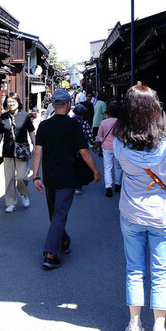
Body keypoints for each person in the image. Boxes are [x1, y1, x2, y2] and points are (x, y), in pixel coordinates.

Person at [113, 85, 166, 331]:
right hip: (162, 214)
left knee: (134, 269)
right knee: (161, 271)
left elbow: (122, 168)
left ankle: (134, 326)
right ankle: (159, 330)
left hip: (131, 212)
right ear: (156, 110)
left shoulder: (119, 143)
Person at [32, 89, 101, 269]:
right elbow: (84, 152)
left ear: (54, 105)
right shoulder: (74, 125)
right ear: (69, 104)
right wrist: (95, 171)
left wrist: (36, 176)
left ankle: (57, 245)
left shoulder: (44, 126)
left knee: (55, 214)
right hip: (68, 175)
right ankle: (53, 252)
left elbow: (37, 151)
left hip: (49, 176)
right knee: (59, 214)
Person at [0, 93, 36, 213]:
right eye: (9, 101)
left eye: (13, 101)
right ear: (6, 103)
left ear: (18, 102)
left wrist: (35, 145)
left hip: (21, 150)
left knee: (22, 176)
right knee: (9, 178)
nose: (11, 103)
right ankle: (10, 203)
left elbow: (31, 132)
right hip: (7, 151)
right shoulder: (3, 117)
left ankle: (23, 193)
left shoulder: (25, 116)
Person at [95, 101, 121, 197]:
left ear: (108, 113)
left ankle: (108, 187)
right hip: (118, 147)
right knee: (118, 167)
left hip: (106, 147)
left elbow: (99, 136)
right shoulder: (120, 122)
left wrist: (96, 145)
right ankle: (118, 184)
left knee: (108, 167)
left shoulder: (103, 123)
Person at [72, 103, 95, 195]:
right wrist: (94, 144)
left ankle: (72, 184)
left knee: (72, 166)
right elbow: (90, 136)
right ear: (82, 114)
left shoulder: (70, 121)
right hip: (82, 148)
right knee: (81, 167)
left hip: (71, 148)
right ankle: (78, 187)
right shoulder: (84, 123)